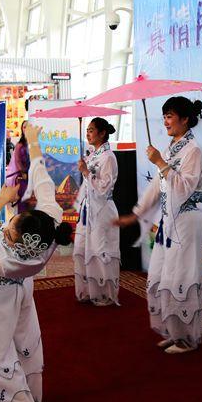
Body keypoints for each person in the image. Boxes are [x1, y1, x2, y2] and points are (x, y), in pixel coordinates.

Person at [0, 122, 73, 402]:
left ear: (17, 241)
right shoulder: (49, 227)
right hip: (22, 291)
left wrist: (1, 200)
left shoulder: (0, 259)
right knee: (23, 338)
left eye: (10, 228)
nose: (7, 225)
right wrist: (33, 142)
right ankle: (29, 392)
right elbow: (43, 181)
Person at [114, 97, 202, 354]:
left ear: (185, 119)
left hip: (186, 223)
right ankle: (175, 332)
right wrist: (135, 214)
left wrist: (160, 163)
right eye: (164, 116)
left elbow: (184, 189)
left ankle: (187, 339)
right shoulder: (170, 149)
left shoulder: (193, 151)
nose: (165, 121)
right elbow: (157, 187)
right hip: (169, 224)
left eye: (170, 116)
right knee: (162, 277)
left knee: (181, 279)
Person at [73, 117, 120, 306]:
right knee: (82, 248)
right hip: (88, 210)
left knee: (101, 251)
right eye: (87, 130)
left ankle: (104, 294)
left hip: (102, 211)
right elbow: (87, 186)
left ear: (102, 133)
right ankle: (86, 291)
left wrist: (86, 171)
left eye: (91, 130)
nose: (88, 134)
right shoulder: (93, 155)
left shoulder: (108, 157)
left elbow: (104, 188)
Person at [4, 133, 31, 213]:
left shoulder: (31, 144)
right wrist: (22, 171)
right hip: (22, 174)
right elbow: (17, 160)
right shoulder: (19, 145)